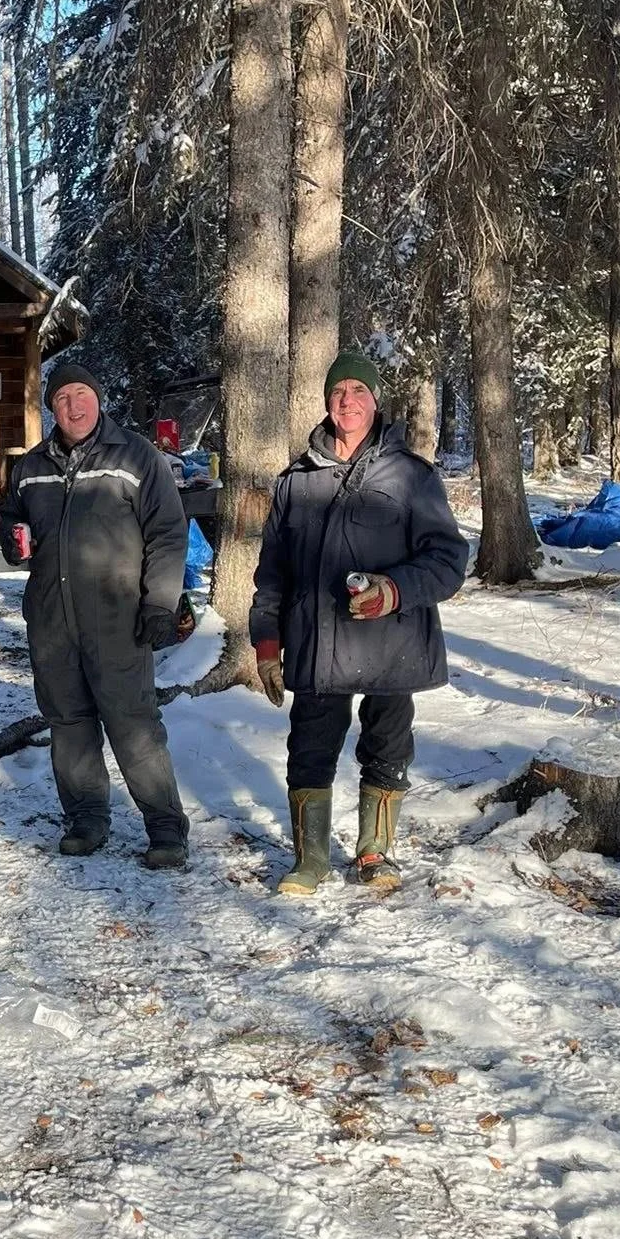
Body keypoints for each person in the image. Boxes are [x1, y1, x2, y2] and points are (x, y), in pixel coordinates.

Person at [250, 351, 468, 895]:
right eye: (338, 392)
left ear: (375, 401)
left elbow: (447, 560)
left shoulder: (411, 476)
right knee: (309, 746)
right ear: (327, 402)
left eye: (358, 391)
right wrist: (267, 640)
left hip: (390, 641)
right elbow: (271, 572)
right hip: (317, 641)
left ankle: (375, 851)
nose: (348, 401)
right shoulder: (295, 480)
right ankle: (312, 859)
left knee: (388, 744)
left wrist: (393, 590)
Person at [0, 360, 191, 869]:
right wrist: (13, 542)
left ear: (98, 399)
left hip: (118, 620)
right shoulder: (30, 466)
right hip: (52, 622)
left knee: (134, 726)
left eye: (81, 394)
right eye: (62, 398)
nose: (73, 405)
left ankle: (165, 827)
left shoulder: (135, 456)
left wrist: (160, 602)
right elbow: (12, 521)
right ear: (51, 407)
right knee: (69, 724)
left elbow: (169, 533)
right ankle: (86, 818)